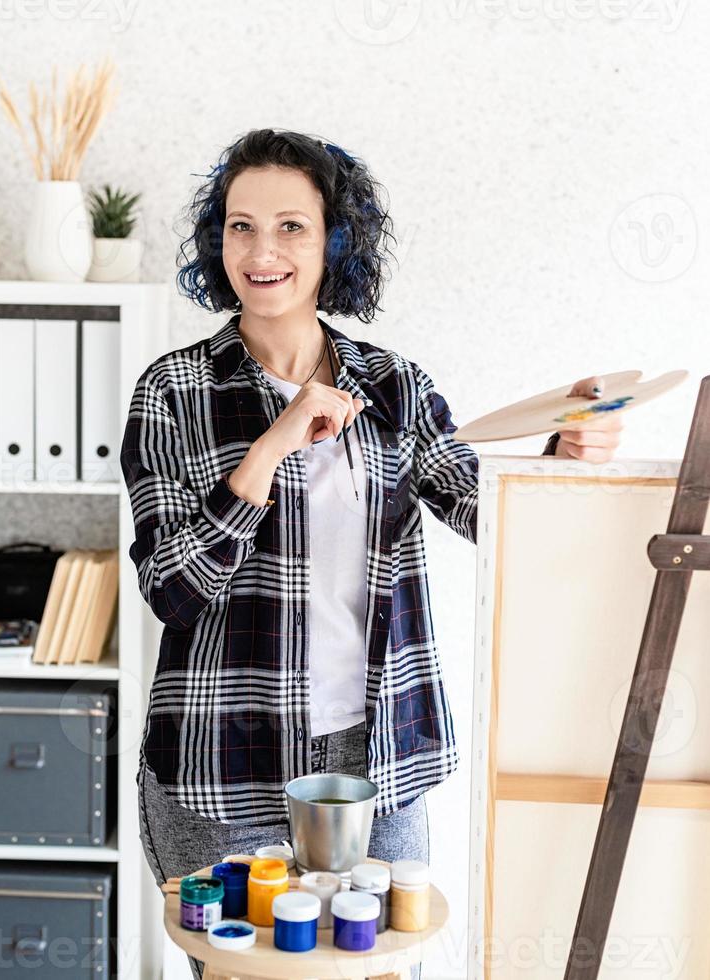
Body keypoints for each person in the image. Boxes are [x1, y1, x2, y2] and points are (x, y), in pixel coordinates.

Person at [120, 128, 623, 979]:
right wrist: (272, 446)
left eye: (291, 227)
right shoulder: (173, 392)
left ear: (331, 243)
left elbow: (486, 511)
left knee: (380, 969)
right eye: (239, 226)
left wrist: (560, 455)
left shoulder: (392, 386)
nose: (262, 250)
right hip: (221, 758)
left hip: (379, 754)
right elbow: (173, 588)